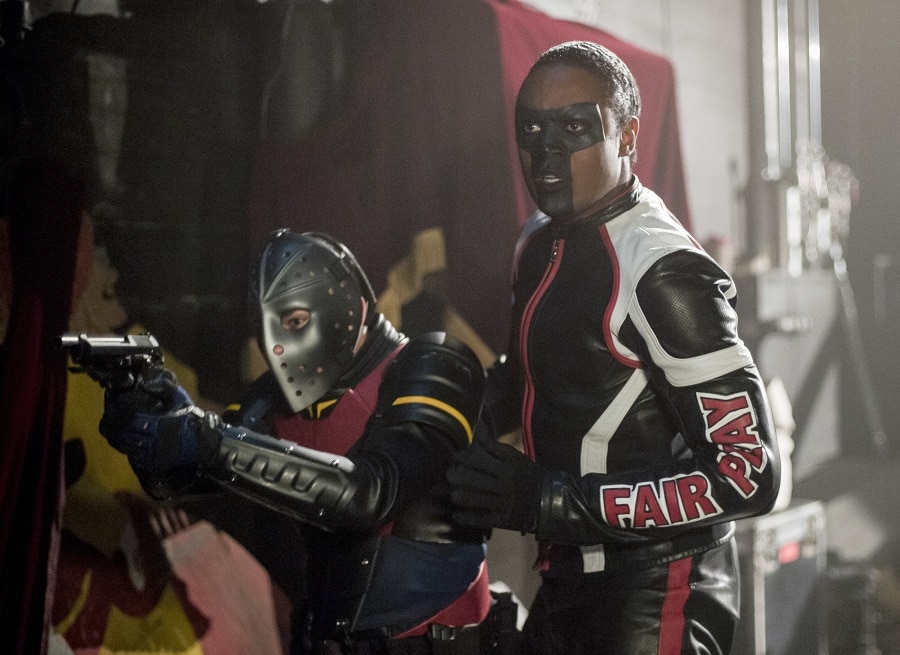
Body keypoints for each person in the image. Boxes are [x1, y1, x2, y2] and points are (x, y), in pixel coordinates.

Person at [446, 41, 781, 655]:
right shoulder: (538, 242)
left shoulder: (662, 269)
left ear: (627, 136)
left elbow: (747, 472)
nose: (547, 150)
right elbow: (543, 375)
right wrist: (444, 409)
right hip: (566, 576)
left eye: (575, 128)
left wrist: (547, 500)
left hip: (658, 592)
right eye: (531, 129)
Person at [97, 229, 493, 654]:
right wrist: (149, 416)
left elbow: (369, 496)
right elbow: (180, 479)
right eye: (263, 327)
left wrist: (205, 438)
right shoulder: (272, 397)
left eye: (295, 322)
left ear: (350, 306)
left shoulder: (434, 364)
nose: (276, 348)